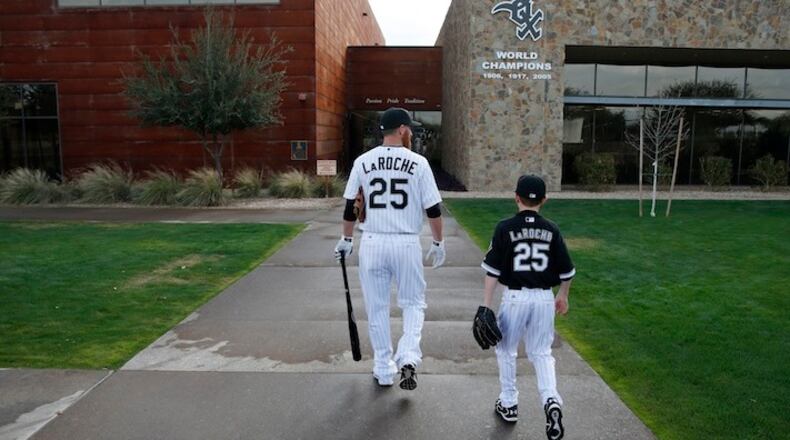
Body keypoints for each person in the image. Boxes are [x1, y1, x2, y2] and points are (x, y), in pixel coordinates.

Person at [334, 107, 445, 391]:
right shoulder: (418, 163)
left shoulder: (363, 161)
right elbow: (433, 209)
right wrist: (438, 241)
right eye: (409, 128)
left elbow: (350, 206)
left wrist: (346, 239)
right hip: (406, 242)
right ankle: (408, 355)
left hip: (372, 241)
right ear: (402, 130)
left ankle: (384, 368)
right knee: (413, 303)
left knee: (377, 308)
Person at [478, 175, 575, 440]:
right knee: (541, 353)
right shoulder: (552, 230)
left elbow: (492, 271)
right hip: (544, 298)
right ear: (544, 200)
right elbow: (567, 272)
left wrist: (485, 305)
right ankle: (551, 401)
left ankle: (509, 404)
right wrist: (563, 296)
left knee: (506, 350)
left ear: (516, 197)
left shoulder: (504, 228)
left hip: (515, 298)